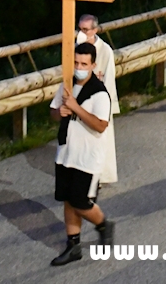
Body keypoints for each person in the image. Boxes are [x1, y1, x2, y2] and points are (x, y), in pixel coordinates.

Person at [49, 42, 114, 266]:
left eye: (84, 63)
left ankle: (103, 224)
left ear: (93, 65)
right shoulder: (67, 85)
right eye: (76, 62)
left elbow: (100, 125)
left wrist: (76, 108)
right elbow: (54, 112)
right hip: (66, 153)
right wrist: (61, 111)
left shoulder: (100, 94)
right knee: (68, 200)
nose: (79, 67)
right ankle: (73, 245)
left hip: (88, 158)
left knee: (81, 202)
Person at [75, 15, 120, 185]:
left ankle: (99, 176)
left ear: (95, 30)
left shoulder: (105, 50)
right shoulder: (76, 49)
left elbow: (109, 79)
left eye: (86, 30)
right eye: (80, 29)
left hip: (99, 100)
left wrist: (106, 106)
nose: (82, 33)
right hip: (81, 101)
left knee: (100, 140)